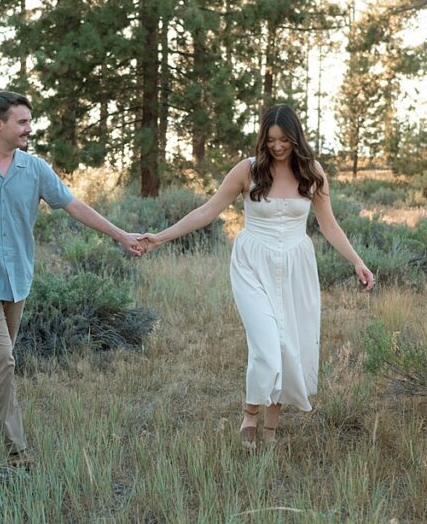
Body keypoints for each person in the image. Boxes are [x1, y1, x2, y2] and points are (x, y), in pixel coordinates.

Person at [0, 90, 145, 467]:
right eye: (22, 122)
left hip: (18, 279)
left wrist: (120, 235)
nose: (29, 128)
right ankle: (16, 450)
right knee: (2, 357)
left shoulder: (35, 169)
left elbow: (74, 206)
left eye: (29, 121)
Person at [140, 104, 374, 449]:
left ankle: (271, 430)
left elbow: (329, 224)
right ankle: (250, 414)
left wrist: (357, 261)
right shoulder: (247, 170)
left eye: (284, 140)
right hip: (252, 263)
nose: (277, 146)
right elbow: (207, 211)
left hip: (295, 266)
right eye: (271, 139)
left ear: (296, 138)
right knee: (267, 341)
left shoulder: (312, 171)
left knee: (288, 344)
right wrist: (160, 238)